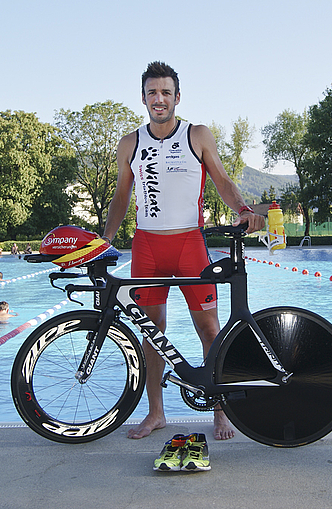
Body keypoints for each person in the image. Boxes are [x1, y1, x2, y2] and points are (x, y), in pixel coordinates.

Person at [102, 61, 265, 441]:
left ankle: (220, 411)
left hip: (189, 243)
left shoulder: (198, 135)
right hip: (147, 247)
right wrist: (106, 239)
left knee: (210, 328)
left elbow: (223, 181)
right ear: (143, 98)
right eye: (152, 92)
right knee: (151, 331)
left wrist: (243, 208)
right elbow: (121, 196)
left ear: (177, 96)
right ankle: (155, 413)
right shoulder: (130, 143)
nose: (159, 99)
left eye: (166, 92)